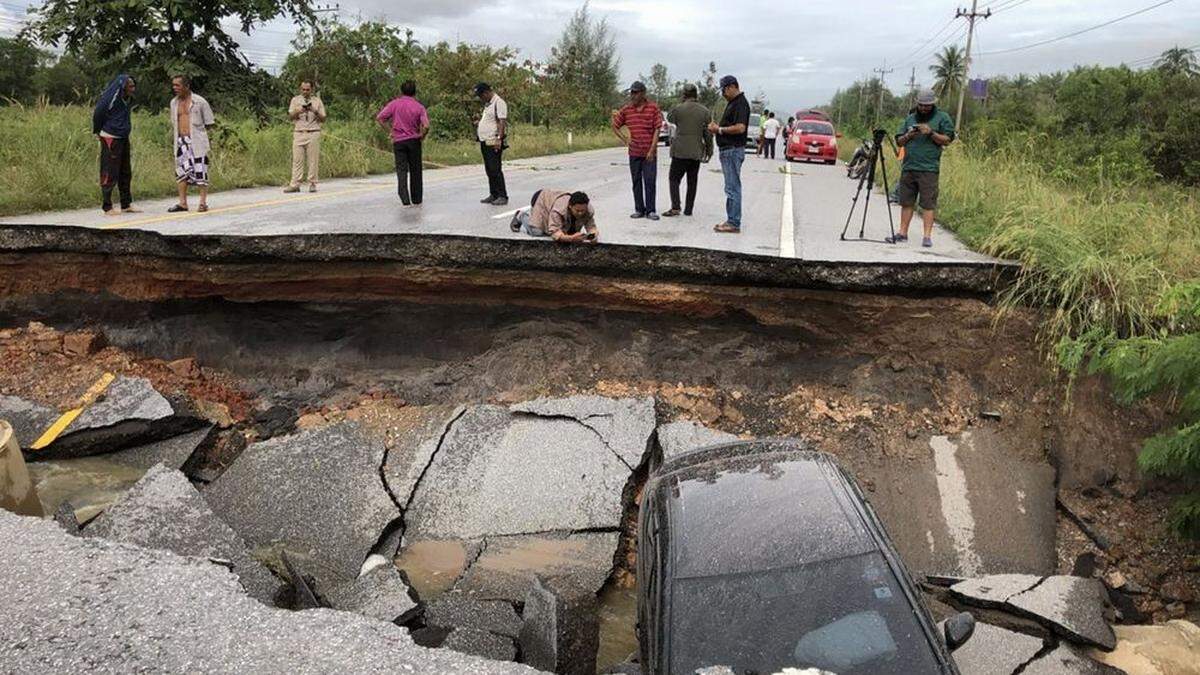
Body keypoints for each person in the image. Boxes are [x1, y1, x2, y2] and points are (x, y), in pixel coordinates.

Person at [886, 89, 955, 247]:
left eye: (927, 105)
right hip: (909, 166)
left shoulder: (942, 118)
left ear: (933, 104)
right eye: (921, 105)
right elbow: (899, 141)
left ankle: (927, 236)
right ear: (917, 103)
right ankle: (902, 233)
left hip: (929, 168)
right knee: (906, 202)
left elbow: (947, 139)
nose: (924, 108)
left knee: (928, 203)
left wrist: (930, 133)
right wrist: (909, 135)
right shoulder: (910, 118)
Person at [612, 81, 664, 221]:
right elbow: (615, 125)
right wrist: (625, 140)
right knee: (636, 181)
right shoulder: (627, 109)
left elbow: (657, 129)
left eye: (635, 93)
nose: (633, 95)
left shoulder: (653, 108)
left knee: (650, 181)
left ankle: (651, 210)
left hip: (649, 153)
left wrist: (652, 150)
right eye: (632, 92)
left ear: (643, 93)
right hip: (634, 152)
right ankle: (639, 209)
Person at [376, 80, 430, 206]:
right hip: (414, 141)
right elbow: (426, 126)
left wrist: (390, 131)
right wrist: (422, 136)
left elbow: (380, 118)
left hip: (399, 141)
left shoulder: (394, 104)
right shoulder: (419, 106)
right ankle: (416, 198)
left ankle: (404, 198)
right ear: (415, 92)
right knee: (415, 170)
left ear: (401, 91)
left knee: (401, 170)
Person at [708, 75, 750, 234]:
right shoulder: (734, 103)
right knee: (730, 186)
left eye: (725, 89)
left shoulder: (740, 103)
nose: (723, 93)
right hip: (728, 150)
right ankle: (731, 219)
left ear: (732, 86)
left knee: (732, 187)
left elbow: (740, 128)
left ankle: (733, 222)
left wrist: (719, 129)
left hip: (732, 150)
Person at [92, 73, 139, 215]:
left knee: (125, 171)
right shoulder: (111, 98)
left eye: (133, 86)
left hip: (123, 136)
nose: (133, 89)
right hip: (110, 136)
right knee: (110, 171)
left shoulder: (128, 99)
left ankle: (126, 204)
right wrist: (98, 130)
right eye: (130, 86)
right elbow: (98, 113)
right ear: (123, 87)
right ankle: (107, 206)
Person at [663, 83, 712, 217]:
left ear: (684, 95)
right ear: (696, 95)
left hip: (680, 151)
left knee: (674, 178)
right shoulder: (705, 111)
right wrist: (709, 150)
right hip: (696, 151)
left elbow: (669, 118)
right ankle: (688, 209)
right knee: (692, 181)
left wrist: (680, 103)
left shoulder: (678, 109)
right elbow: (708, 134)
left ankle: (675, 207)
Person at [168, 75, 215, 213]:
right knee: (181, 172)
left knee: (201, 171)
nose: (175, 88)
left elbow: (209, 123)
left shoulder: (200, 102)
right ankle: (183, 203)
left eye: (178, 85)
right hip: (181, 141)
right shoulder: (174, 103)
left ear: (186, 86)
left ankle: (202, 203)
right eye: (174, 85)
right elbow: (174, 122)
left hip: (197, 141)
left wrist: (206, 142)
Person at [509, 189, 598, 244]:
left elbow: (591, 227)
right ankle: (521, 215)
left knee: (568, 231)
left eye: (583, 210)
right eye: (577, 211)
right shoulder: (559, 210)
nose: (580, 213)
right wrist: (571, 238)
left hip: (553, 201)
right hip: (541, 199)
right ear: (570, 206)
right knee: (537, 231)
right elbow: (555, 233)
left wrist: (593, 235)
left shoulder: (588, 210)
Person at [284, 80, 327, 193]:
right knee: (297, 160)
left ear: (311, 89)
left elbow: (323, 118)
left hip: (313, 132)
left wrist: (314, 110)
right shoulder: (295, 100)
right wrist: (299, 110)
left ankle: (312, 183)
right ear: (300, 89)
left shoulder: (317, 101)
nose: (305, 91)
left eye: (307, 89)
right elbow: (290, 116)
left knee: (313, 160)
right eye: (303, 89)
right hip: (299, 132)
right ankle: (295, 184)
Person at [475, 82, 508, 206]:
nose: (481, 98)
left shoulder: (499, 102)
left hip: (493, 139)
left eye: (481, 96)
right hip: (485, 140)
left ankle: (502, 195)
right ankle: (493, 193)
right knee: (489, 169)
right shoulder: (488, 104)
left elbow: (501, 122)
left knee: (495, 168)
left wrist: (499, 139)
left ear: (487, 92)